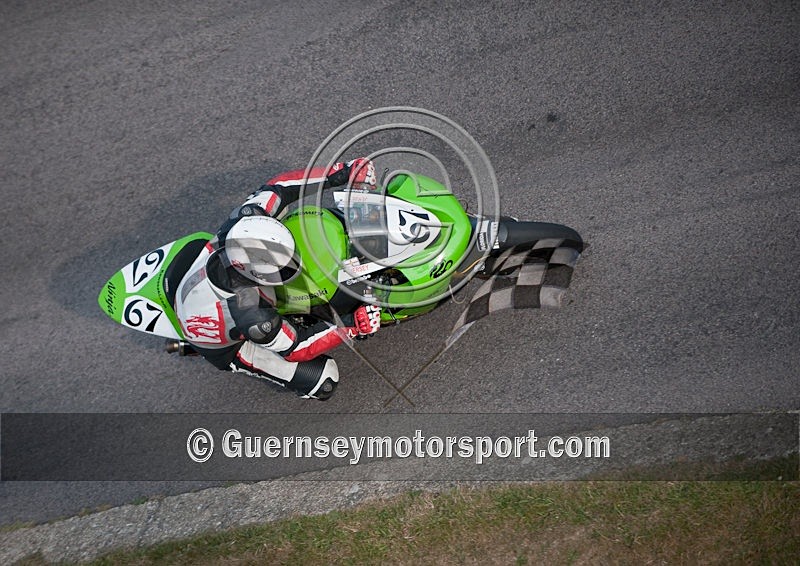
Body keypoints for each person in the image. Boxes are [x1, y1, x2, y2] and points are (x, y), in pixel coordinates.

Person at [174, 158, 381, 400]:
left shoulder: (245, 220)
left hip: (196, 275)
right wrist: (350, 326)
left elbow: (279, 187)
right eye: (281, 268)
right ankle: (221, 356)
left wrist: (342, 172)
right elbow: (296, 347)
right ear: (252, 274)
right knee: (324, 381)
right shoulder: (253, 315)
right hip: (228, 345)